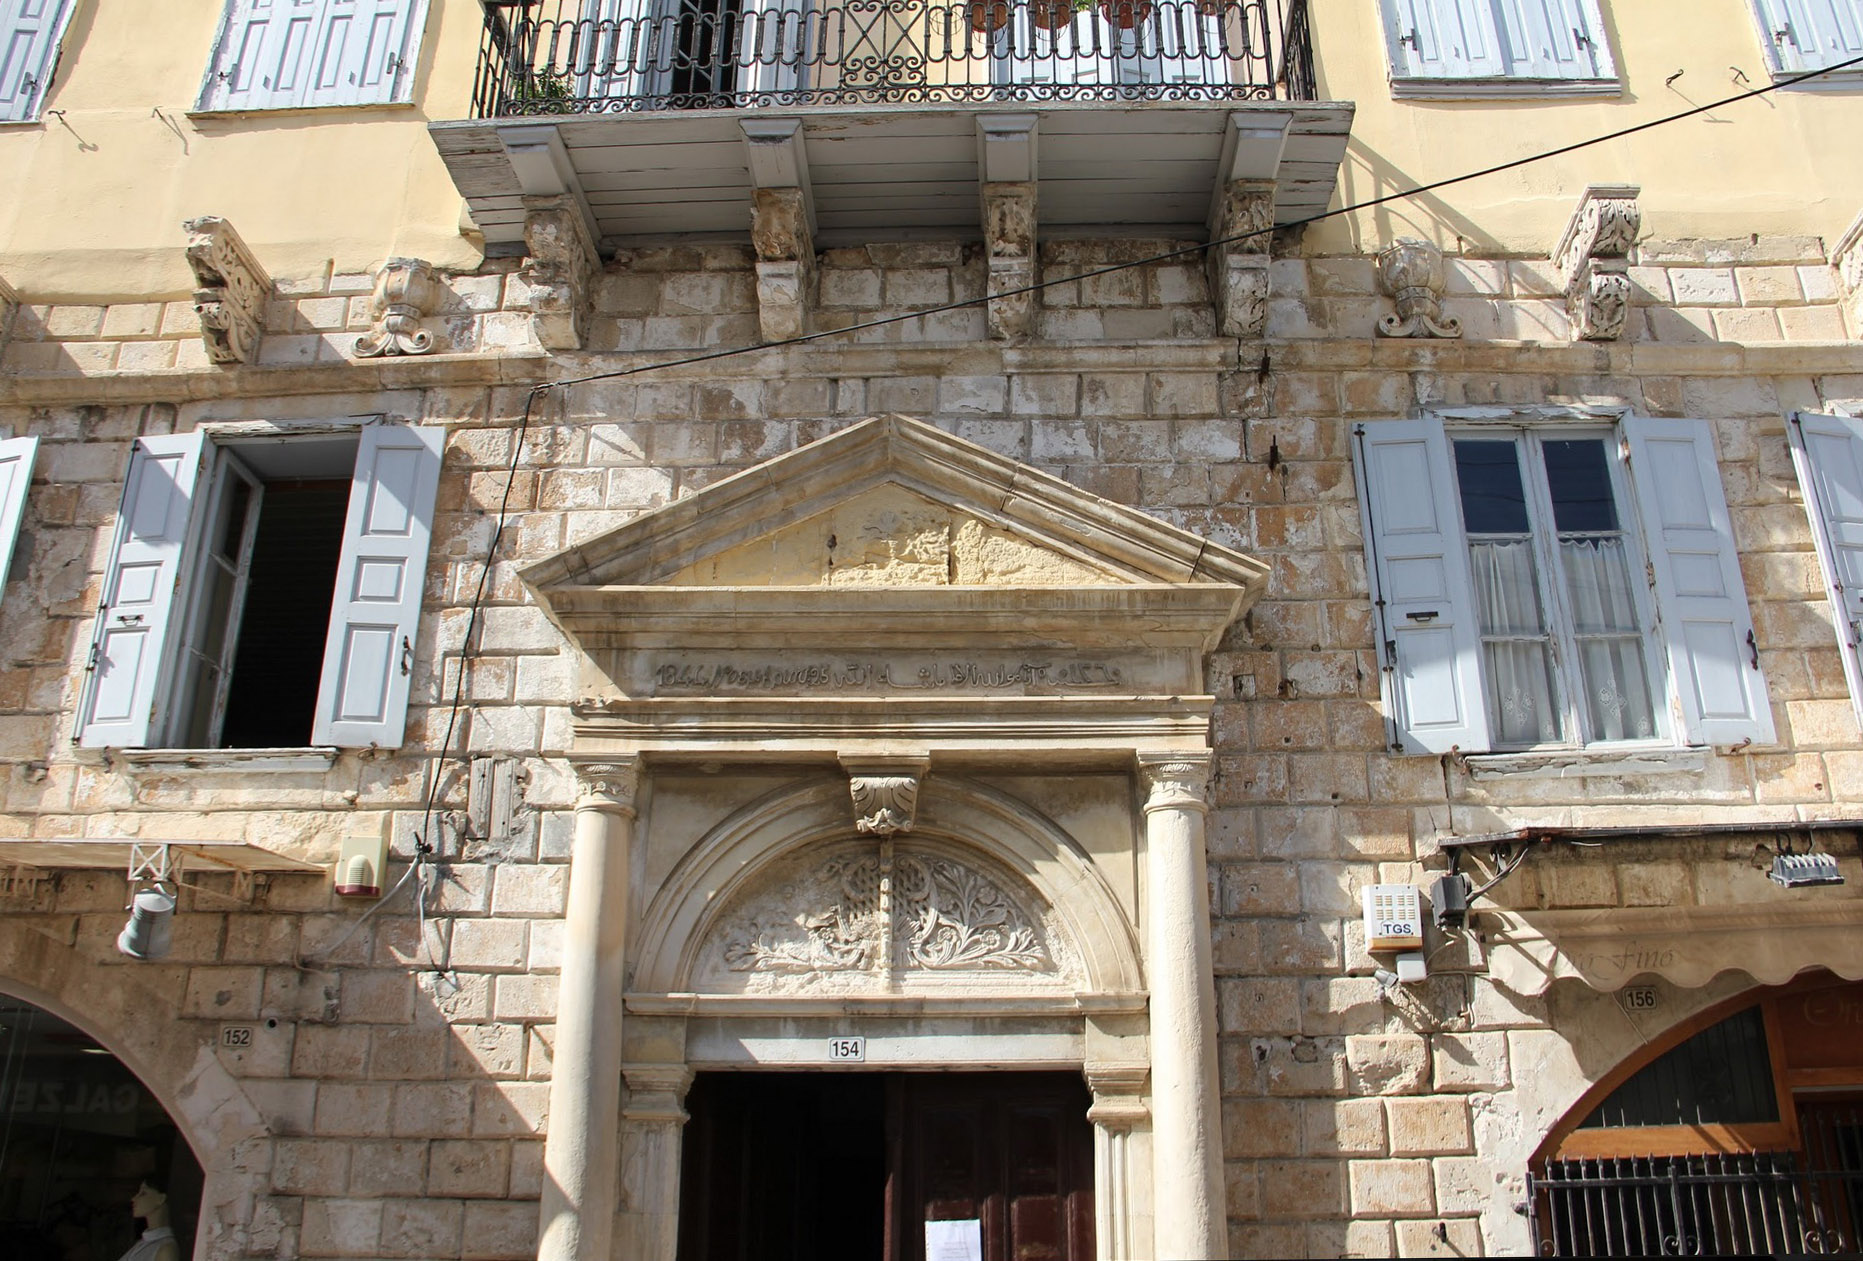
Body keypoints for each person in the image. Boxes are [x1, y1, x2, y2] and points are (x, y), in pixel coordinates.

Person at [117, 1181, 180, 1261]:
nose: (134, 1199)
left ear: (161, 1198)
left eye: (143, 1193)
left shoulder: (165, 1249)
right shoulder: (142, 1244)